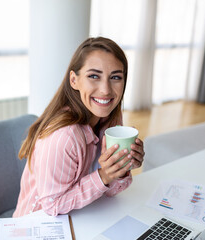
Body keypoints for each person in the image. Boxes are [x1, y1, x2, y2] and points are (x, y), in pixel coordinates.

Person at [13, 37, 145, 217]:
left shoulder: (110, 118)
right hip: (38, 224)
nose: (106, 90)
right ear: (74, 80)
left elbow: (109, 191)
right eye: (93, 76)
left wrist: (119, 169)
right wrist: (103, 176)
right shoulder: (64, 136)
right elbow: (52, 207)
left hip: (81, 214)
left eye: (115, 77)